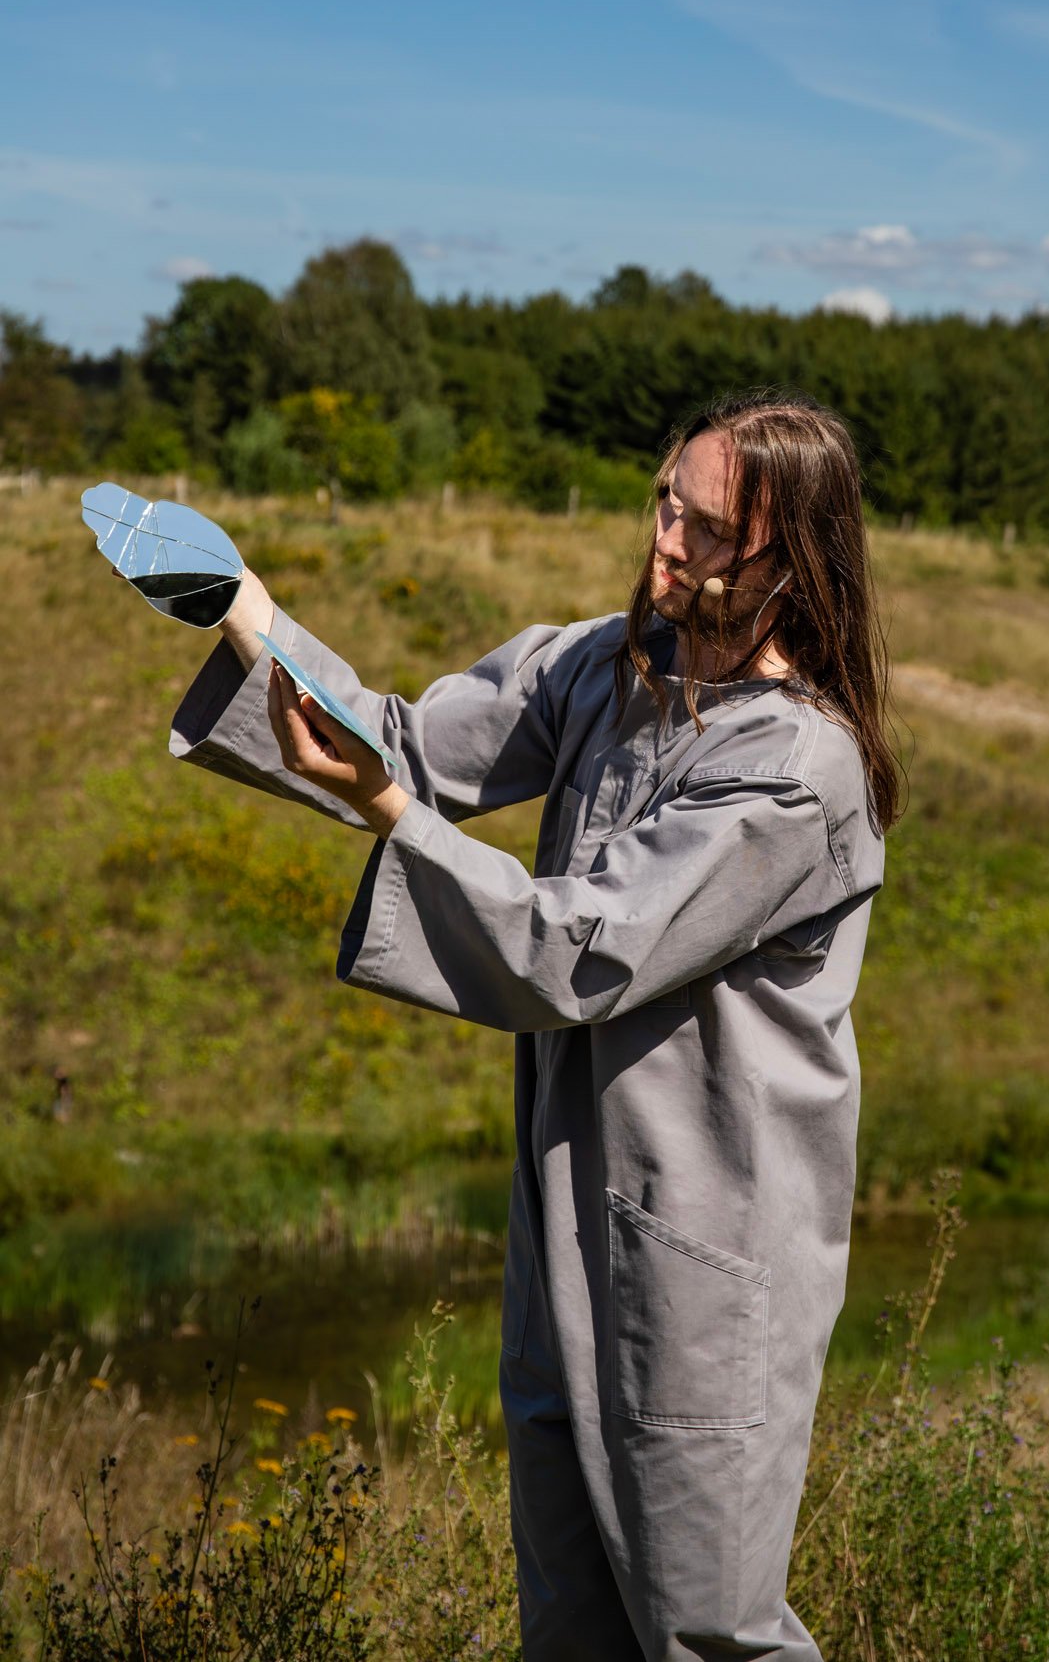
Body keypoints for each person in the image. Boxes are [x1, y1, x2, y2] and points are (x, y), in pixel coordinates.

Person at [169, 388, 900, 1662]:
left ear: (793, 560)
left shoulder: (798, 770)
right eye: (666, 500)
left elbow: (578, 948)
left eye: (708, 528)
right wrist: (247, 615)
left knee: (706, 1634)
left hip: (705, 1261)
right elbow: (398, 743)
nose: (666, 541)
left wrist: (396, 816)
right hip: (564, 1217)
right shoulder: (600, 667)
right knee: (571, 1626)